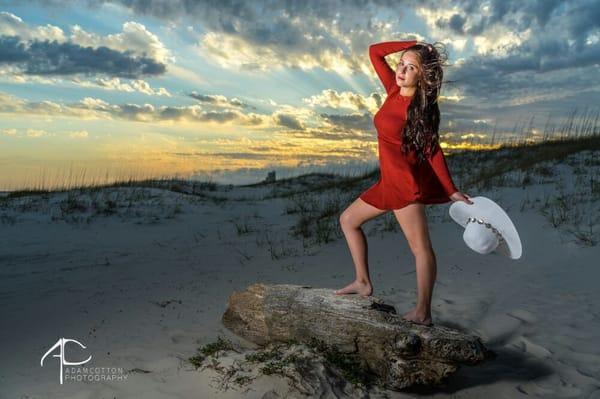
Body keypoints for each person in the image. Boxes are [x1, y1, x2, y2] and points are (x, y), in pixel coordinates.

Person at [334, 40, 473, 327]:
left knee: (421, 249)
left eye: (411, 68)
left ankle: (423, 311)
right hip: (388, 184)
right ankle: (362, 282)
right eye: (401, 64)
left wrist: (451, 190)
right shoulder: (393, 90)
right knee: (348, 220)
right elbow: (374, 51)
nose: (402, 70)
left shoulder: (421, 109)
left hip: (406, 189)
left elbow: (433, 151)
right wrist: (415, 45)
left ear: (422, 76)